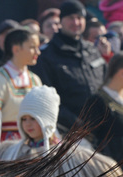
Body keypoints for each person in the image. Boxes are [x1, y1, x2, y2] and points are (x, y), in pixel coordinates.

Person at [31, 0, 106, 134]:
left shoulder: (92, 51)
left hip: (102, 129)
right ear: (61, 21)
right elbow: (46, 99)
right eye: (71, 18)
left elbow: (108, 86)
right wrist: (77, 125)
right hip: (70, 134)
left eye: (79, 18)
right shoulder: (47, 56)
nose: (76, 22)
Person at [0, 28, 42, 152]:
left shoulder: (35, 80)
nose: (38, 52)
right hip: (8, 151)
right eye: (32, 47)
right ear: (16, 49)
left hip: (34, 149)